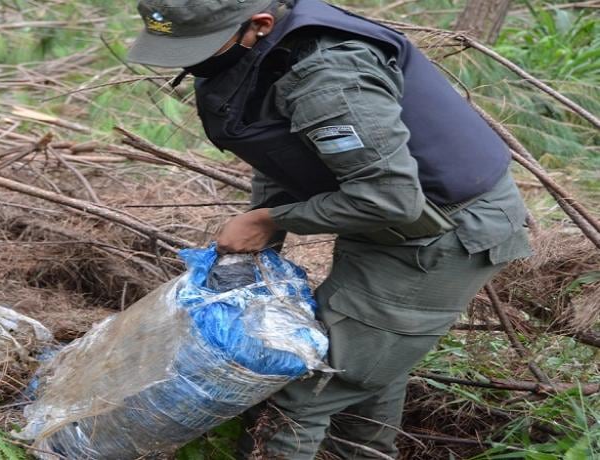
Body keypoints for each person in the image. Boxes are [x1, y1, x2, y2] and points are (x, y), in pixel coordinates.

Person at [126, 0, 532, 458]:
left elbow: (391, 197)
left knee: (299, 387)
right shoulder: (269, 53)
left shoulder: (328, 78)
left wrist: (269, 220)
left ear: (259, 25)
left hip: (443, 233)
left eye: (198, 47)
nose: (187, 61)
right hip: (388, 219)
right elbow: (280, 150)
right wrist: (264, 242)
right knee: (366, 363)